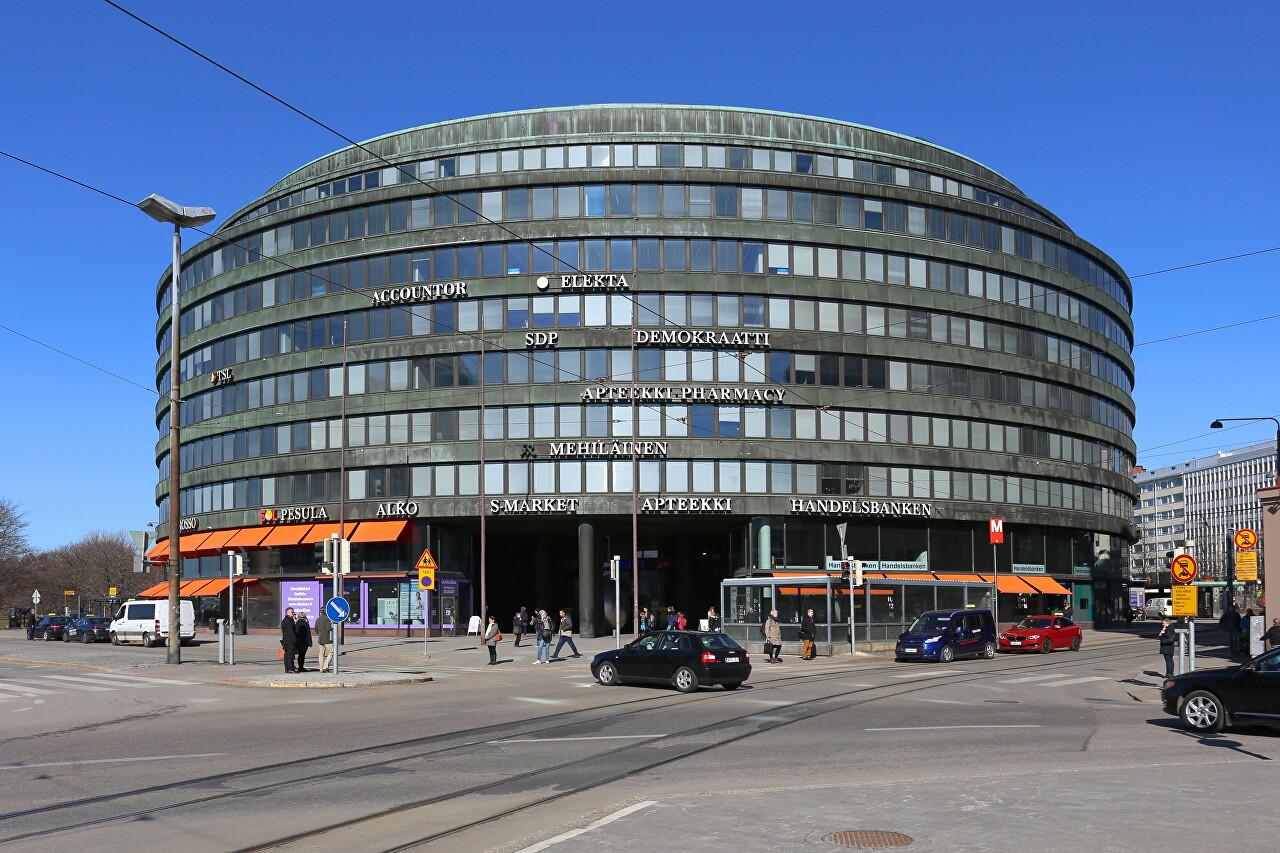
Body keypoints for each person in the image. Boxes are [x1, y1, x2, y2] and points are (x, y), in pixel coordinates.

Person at [280, 607, 298, 673]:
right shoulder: (288, 621)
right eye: (292, 612)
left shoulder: (286, 620)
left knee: (287, 654)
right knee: (290, 655)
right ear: (287, 613)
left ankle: (287, 668)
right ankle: (290, 668)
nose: (293, 613)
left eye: (293, 612)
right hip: (290, 640)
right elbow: (291, 632)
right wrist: (294, 640)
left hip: (286, 640)